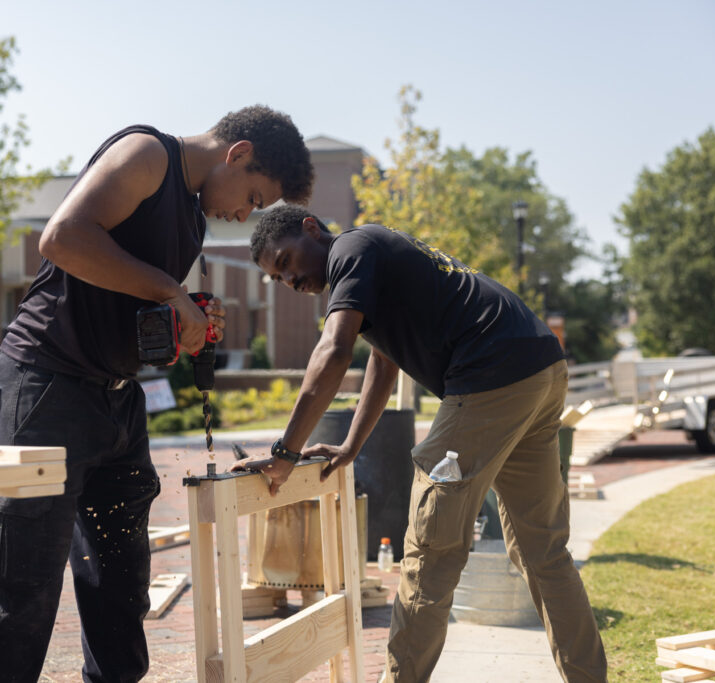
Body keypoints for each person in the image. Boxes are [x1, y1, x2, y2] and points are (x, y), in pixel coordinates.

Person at [0, 107, 313, 682]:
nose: (244, 214)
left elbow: (130, 303)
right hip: (44, 388)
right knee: (22, 591)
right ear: (238, 153)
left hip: (118, 402)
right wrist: (170, 290)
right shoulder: (147, 156)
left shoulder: (192, 224)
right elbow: (61, 239)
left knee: (119, 585)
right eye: (252, 196)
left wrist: (184, 320)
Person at [232, 205, 608, 682]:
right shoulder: (373, 258)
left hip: (491, 374)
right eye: (277, 278)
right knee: (543, 552)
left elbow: (334, 351)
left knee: (430, 550)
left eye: (286, 262)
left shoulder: (351, 249)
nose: (289, 280)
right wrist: (350, 445)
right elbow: (382, 363)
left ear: (311, 228)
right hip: (539, 367)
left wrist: (285, 453)